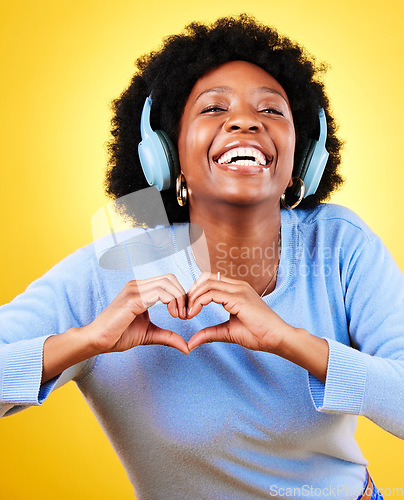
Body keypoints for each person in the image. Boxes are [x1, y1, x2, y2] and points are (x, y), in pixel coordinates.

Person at [1, 14, 402, 499]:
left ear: (303, 160)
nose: (245, 120)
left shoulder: (340, 244)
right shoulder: (110, 270)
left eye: (272, 111)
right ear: (168, 160)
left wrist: (290, 341)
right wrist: (84, 341)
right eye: (213, 109)